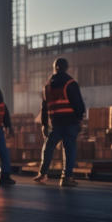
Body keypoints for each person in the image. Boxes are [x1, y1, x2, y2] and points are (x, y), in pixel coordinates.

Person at [37, 58, 86, 187]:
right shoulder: (70, 83)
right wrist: (80, 119)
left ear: (54, 67)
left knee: (48, 148)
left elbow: (44, 107)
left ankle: (42, 174)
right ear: (66, 67)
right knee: (69, 149)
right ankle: (66, 177)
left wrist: (44, 124)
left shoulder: (47, 86)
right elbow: (78, 103)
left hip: (55, 123)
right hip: (70, 122)